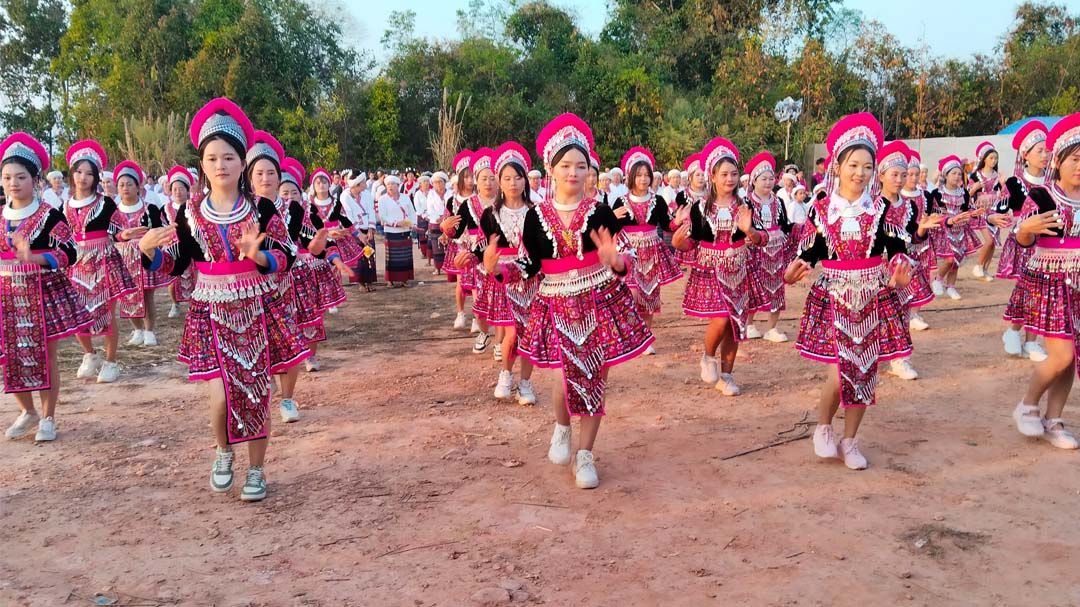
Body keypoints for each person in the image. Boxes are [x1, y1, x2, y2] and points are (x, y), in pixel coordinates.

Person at [137, 97, 311, 501]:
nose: (221, 165)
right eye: (212, 158)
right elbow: (178, 263)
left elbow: (285, 256)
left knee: (254, 393)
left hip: (255, 308)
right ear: (202, 165)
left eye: (229, 157)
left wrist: (258, 255)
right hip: (210, 309)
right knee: (219, 397)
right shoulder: (190, 212)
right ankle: (222, 450)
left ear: (241, 164)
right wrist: (148, 252)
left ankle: (256, 469)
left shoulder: (263, 208)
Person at [483, 113, 653, 489]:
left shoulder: (600, 210)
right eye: (565, 165)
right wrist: (497, 270)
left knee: (595, 377)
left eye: (580, 165)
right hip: (557, 303)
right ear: (551, 170)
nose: (573, 172)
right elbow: (528, 267)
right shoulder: (535, 217)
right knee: (565, 381)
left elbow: (625, 257)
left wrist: (616, 261)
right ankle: (562, 427)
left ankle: (586, 453)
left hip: (600, 300)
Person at [785, 112, 914, 470]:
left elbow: (898, 248)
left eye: (868, 167)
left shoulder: (882, 208)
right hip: (834, 296)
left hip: (873, 295)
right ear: (837, 166)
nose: (860, 173)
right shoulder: (822, 209)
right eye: (853, 164)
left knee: (866, 371)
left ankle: (851, 440)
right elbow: (809, 251)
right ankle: (825, 427)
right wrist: (795, 270)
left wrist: (901, 270)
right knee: (840, 371)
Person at [1, 132, 92, 442]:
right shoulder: (0, 217)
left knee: (46, 355)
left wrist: (35, 257)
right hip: (7, 296)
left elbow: (70, 252)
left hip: (43, 293)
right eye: (7, 177)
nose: (14, 183)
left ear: (35, 180)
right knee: (9, 356)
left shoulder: (49, 215)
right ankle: (27, 411)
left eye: (21, 176)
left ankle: (49, 417)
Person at [674, 137, 767, 396]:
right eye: (724, 174)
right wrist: (678, 242)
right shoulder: (700, 208)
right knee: (721, 318)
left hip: (739, 268)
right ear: (712, 176)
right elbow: (690, 243)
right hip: (711, 270)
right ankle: (706, 356)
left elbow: (761, 238)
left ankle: (726, 375)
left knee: (735, 325)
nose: (730, 179)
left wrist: (750, 232)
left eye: (734, 173)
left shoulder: (745, 206)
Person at [1009, 111, 1080, 450]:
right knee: (1062, 355)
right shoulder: (1041, 197)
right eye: (1076, 159)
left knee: (1071, 358)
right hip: (1049, 284)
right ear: (1059, 159)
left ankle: (1054, 420)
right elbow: (1021, 238)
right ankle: (1028, 404)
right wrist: (1025, 229)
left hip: (1078, 285)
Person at [461, 141, 538, 404]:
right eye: (507, 178)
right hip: (503, 278)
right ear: (499, 182)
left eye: (518, 177)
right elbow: (483, 245)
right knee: (512, 331)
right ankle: (506, 374)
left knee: (528, 333)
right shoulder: (490, 214)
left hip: (531, 278)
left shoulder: (536, 212)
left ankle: (525, 383)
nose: (513, 183)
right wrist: (472, 257)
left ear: (525, 180)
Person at [64, 140, 138, 384]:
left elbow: (118, 229)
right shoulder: (65, 205)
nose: (83, 177)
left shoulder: (105, 203)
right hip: (76, 263)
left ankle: (111, 361)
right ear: (72, 173)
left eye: (89, 173)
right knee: (77, 314)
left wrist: (124, 235)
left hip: (103, 261)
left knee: (107, 314)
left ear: (96, 177)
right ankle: (90, 354)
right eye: (79, 172)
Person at [878, 142, 943, 381]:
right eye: (894, 174)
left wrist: (922, 230)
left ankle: (899, 359)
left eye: (903, 175)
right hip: (876, 268)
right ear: (881, 175)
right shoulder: (872, 205)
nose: (899, 179)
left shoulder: (908, 206)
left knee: (901, 313)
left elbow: (912, 237)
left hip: (902, 266)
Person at [611, 147, 681, 353]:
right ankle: (629, 334)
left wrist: (678, 220)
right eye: (639, 175)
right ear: (631, 177)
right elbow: (610, 227)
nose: (643, 179)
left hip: (651, 253)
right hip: (628, 252)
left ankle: (644, 339)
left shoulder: (658, 200)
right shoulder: (621, 201)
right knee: (630, 295)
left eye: (646, 175)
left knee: (648, 296)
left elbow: (667, 225)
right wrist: (612, 218)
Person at [999, 120, 1050, 362]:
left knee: (1041, 292)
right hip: (1023, 243)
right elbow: (999, 208)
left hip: (1047, 245)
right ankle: (1014, 331)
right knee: (1028, 290)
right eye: (1040, 150)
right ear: (1026, 155)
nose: (1045, 155)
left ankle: (1031, 341)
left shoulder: (1053, 183)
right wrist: (992, 217)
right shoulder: (1014, 182)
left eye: (1047, 150)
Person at [112, 160, 171, 347]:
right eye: (121, 185)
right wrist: (123, 235)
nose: (125, 188)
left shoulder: (150, 208)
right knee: (126, 297)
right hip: (123, 259)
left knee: (147, 296)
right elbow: (109, 235)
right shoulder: (113, 212)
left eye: (129, 184)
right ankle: (137, 329)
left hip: (145, 256)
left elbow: (160, 231)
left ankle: (149, 330)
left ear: (138, 187)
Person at [743, 151, 792, 343]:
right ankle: (749, 325)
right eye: (763, 178)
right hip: (755, 251)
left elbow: (785, 225)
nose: (768, 182)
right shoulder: (746, 202)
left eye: (771, 178)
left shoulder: (778, 201)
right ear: (754, 180)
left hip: (776, 251)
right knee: (753, 288)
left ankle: (772, 328)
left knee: (777, 288)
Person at [928, 155, 981, 299]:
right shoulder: (936, 194)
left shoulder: (964, 193)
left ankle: (951, 286)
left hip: (960, 231)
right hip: (944, 231)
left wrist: (974, 213)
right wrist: (945, 219)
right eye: (954, 173)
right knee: (950, 259)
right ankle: (938, 279)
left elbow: (969, 209)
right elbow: (931, 214)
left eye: (959, 173)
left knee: (957, 259)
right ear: (945, 175)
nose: (957, 176)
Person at [899, 150, 938, 332]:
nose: (914, 178)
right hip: (905, 245)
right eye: (910, 174)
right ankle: (907, 313)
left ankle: (914, 313)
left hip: (922, 244)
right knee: (907, 280)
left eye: (916, 174)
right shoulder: (899, 197)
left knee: (922, 279)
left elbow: (932, 213)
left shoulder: (925, 195)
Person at [164, 166, 197, 318]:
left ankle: (194, 303)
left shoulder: (194, 206)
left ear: (187, 190)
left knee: (195, 276)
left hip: (191, 245)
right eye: (175, 189)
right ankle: (175, 304)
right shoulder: (166, 208)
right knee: (173, 278)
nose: (178, 192)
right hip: (173, 246)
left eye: (181, 188)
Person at [968, 141, 1004, 281]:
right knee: (989, 241)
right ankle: (978, 266)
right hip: (982, 212)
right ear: (984, 159)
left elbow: (1004, 193)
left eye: (996, 158)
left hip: (994, 210)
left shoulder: (997, 176)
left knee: (993, 243)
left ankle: (985, 269)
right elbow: (967, 195)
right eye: (991, 158)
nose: (994, 161)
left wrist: (1003, 184)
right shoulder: (975, 176)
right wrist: (975, 188)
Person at [377, 175, 416, 287]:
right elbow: (382, 216)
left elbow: (412, 212)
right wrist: (396, 223)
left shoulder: (405, 197)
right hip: (391, 230)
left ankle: (404, 279)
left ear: (398, 186)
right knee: (391, 257)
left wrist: (411, 223)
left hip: (405, 230)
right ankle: (390, 280)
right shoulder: (383, 199)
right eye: (388, 184)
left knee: (405, 256)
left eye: (393, 184)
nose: (390, 186)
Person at [426, 171, 450, 275]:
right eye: (435, 182)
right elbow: (430, 209)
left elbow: (451, 206)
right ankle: (438, 268)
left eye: (440, 182)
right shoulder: (431, 194)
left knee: (449, 246)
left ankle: (449, 267)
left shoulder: (450, 193)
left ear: (444, 183)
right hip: (435, 222)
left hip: (448, 221)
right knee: (436, 247)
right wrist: (439, 218)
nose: (438, 184)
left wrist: (445, 217)